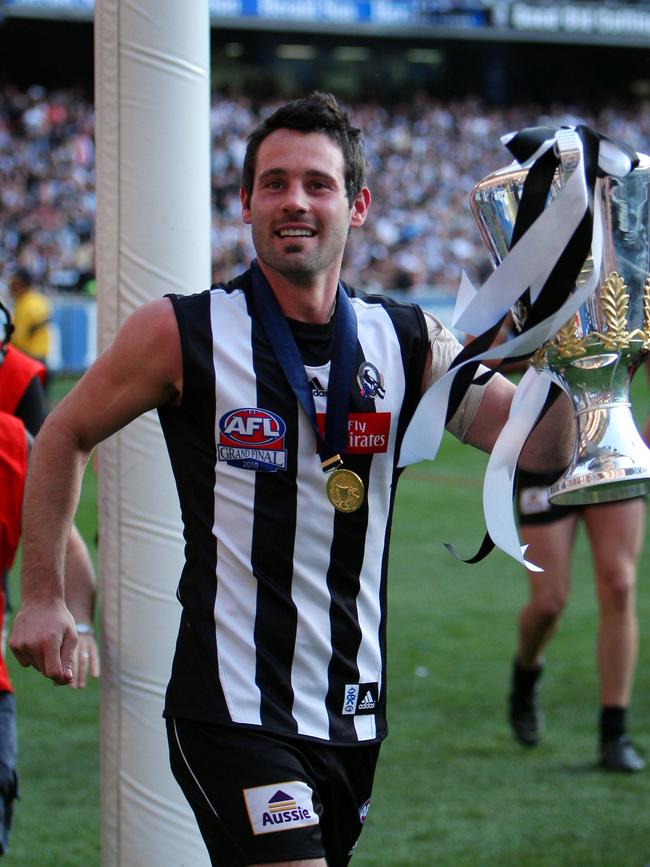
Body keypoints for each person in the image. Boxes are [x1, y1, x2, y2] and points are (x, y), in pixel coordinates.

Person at [9, 93, 574, 867]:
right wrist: (42, 591)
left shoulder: (408, 341)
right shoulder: (183, 332)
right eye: (273, 183)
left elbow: (540, 448)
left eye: (317, 183)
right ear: (244, 203)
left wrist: (587, 352)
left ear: (360, 204)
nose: (294, 202)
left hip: (352, 711)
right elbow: (61, 434)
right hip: (231, 708)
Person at [508, 363, 648, 772]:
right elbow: (477, 355)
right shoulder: (527, 296)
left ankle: (613, 732)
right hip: (546, 454)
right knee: (549, 602)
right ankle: (526, 672)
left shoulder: (625, 296)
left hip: (612, 449)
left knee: (620, 585)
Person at [7, 268, 51, 375]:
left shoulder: (24, 305)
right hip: (42, 356)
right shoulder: (40, 300)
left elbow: (18, 339)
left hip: (28, 358)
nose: (11, 288)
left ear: (22, 284)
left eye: (14, 284)